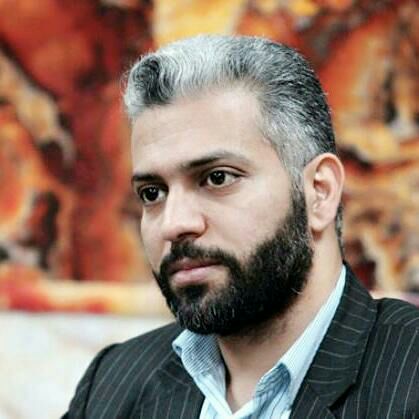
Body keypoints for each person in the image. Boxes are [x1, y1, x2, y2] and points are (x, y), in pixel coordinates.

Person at [63, 35, 419, 419]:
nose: (174, 223)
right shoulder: (113, 384)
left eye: (217, 178)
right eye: (153, 193)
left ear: (320, 191)